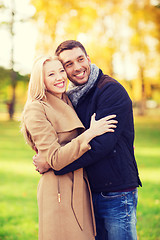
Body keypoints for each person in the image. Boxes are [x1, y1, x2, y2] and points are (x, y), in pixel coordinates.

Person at [33, 40, 142, 240]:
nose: (77, 68)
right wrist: (51, 156)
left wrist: (53, 164)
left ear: (88, 59)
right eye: (68, 64)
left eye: (80, 59)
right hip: (89, 190)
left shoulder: (111, 91)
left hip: (116, 192)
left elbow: (101, 145)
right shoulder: (70, 97)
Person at [21, 55, 117, 240]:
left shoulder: (68, 100)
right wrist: (90, 133)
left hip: (80, 185)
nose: (59, 77)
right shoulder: (36, 109)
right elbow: (55, 159)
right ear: (40, 79)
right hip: (58, 190)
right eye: (51, 74)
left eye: (61, 71)